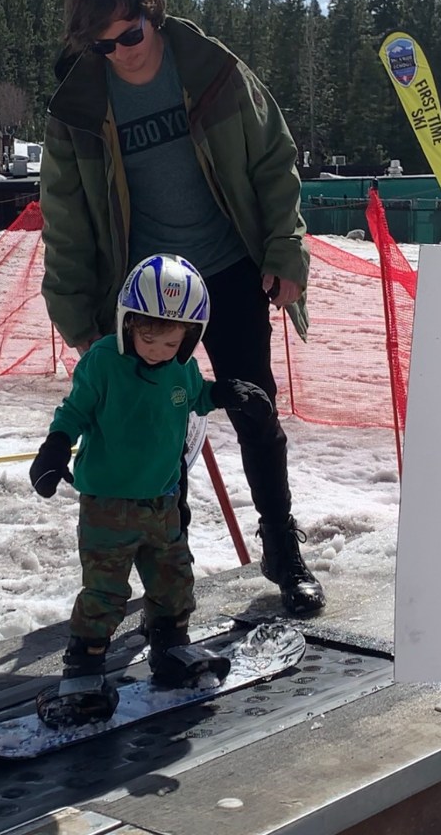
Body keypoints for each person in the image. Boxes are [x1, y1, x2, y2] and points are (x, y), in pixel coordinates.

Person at [40, 0, 325, 616]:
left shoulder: (211, 72)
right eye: (101, 46)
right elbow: (66, 220)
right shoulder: (77, 110)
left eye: (129, 36)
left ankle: (282, 552)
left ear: (153, 17)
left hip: (226, 268)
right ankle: (172, 575)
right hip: (144, 291)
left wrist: (285, 249)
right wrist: (77, 314)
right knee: (151, 425)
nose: (120, 55)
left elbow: (272, 160)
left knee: (255, 408)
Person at [29, 254, 273, 726]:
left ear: (189, 337)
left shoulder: (178, 367)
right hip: (109, 505)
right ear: (127, 324)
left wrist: (228, 392)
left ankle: (170, 647)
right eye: (148, 338)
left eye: (171, 340)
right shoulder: (102, 363)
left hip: (162, 501)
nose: (158, 349)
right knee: (105, 591)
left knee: (173, 581)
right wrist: (55, 449)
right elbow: (74, 412)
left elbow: (196, 394)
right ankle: (84, 669)